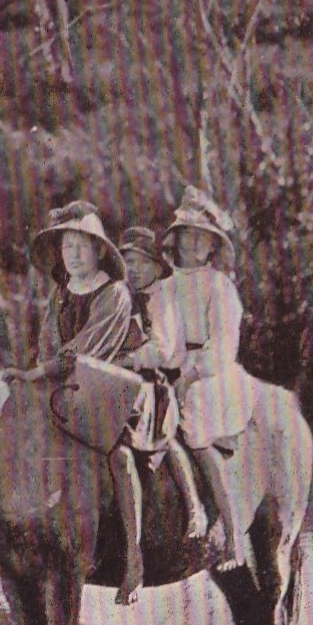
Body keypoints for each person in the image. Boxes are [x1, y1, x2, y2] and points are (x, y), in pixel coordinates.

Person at [5, 200, 145, 604]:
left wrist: (43, 372)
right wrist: (36, 376)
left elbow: (90, 349)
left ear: (100, 250)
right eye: (68, 247)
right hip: (64, 386)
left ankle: (134, 558)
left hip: (110, 385)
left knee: (119, 455)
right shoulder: (61, 293)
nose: (75, 254)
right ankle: (22, 543)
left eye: (82, 246)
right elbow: (48, 344)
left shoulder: (113, 293)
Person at [161, 186, 256, 571]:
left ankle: (234, 537)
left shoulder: (219, 287)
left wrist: (189, 374)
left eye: (204, 236)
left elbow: (223, 346)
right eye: (190, 234)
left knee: (195, 428)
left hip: (211, 376)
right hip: (171, 366)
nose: (196, 242)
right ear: (178, 239)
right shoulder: (165, 285)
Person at [115, 226, 213, 543]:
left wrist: (129, 360)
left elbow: (164, 349)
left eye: (143, 262)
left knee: (165, 434)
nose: (135, 269)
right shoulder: (121, 298)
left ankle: (194, 505)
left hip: (158, 381)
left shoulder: (162, 299)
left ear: (158, 267)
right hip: (123, 381)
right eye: (129, 262)